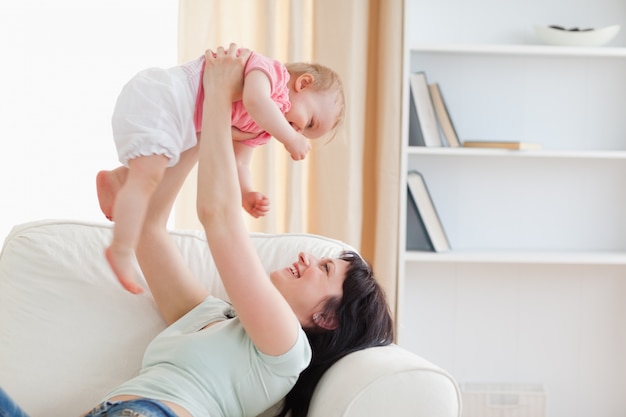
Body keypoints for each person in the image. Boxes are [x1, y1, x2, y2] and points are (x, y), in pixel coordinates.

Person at [99, 46, 345, 294]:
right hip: (167, 97)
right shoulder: (272, 75)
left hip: (178, 123)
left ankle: (119, 180)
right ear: (303, 83)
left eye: (305, 133)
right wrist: (290, 138)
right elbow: (255, 100)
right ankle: (120, 247)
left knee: (160, 167)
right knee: (148, 179)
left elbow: (240, 162)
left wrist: (247, 193)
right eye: (310, 122)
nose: (300, 130)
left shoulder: (263, 129)